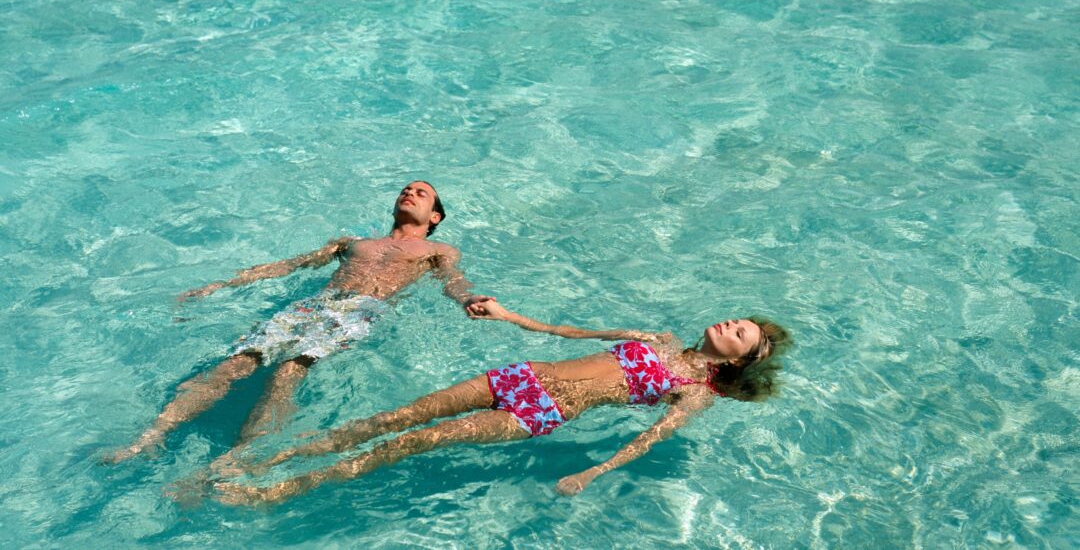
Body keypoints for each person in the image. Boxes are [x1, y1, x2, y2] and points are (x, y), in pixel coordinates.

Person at [213, 301, 790, 504]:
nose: (730, 324)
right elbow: (569, 334)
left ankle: (279, 490)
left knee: (412, 442)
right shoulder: (657, 338)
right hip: (521, 375)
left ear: (736, 362)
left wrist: (594, 472)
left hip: (540, 412)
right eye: (737, 319)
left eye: (740, 334)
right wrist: (509, 315)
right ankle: (260, 461)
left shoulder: (692, 392)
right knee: (394, 418)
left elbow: (650, 439)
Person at [106, 181, 494, 465]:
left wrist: (468, 299)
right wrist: (220, 285)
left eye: (421, 193)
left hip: (362, 308)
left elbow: (452, 281)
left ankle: (237, 459)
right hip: (315, 304)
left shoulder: (438, 249)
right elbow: (291, 265)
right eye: (405, 190)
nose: (409, 193)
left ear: (435, 217)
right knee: (234, 364)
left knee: (287, 373)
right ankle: (149, 438)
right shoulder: (352, 242)